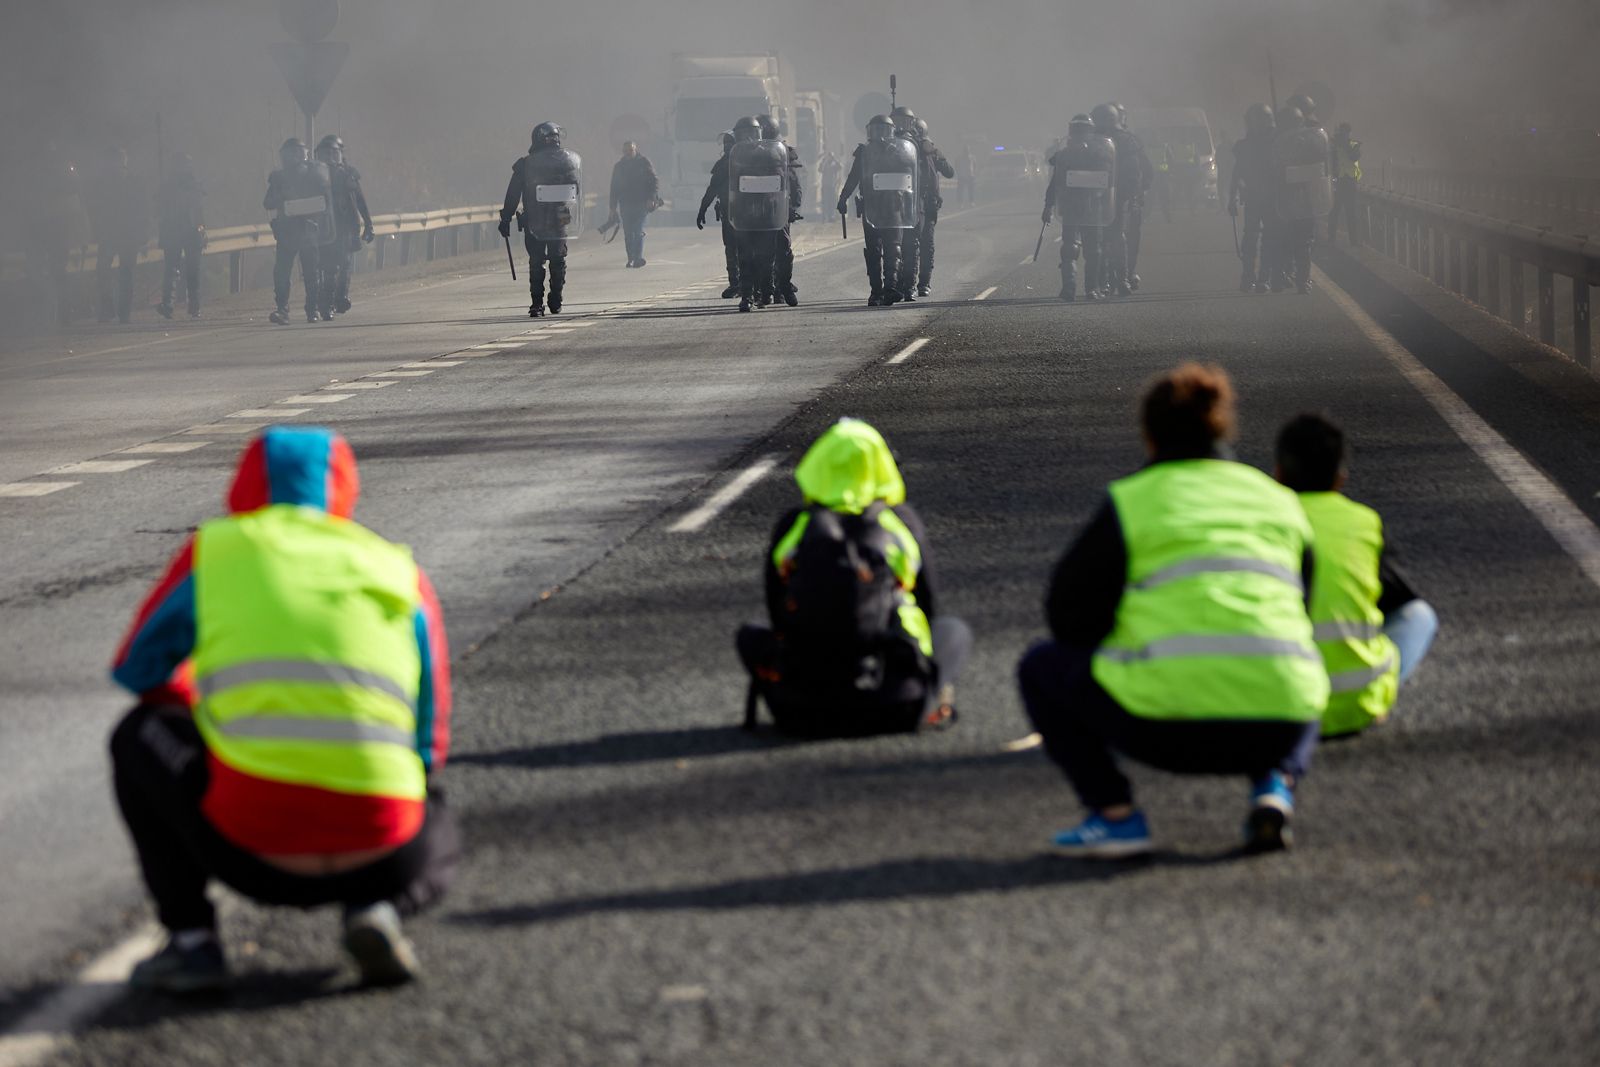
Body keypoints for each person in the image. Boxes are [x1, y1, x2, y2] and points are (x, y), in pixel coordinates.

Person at [108, 427, 459, 993]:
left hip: (249, 851)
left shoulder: (217, 550)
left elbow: (138, 672)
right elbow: (429, 740)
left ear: (243, 486)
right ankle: (378, 907)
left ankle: (191, 941)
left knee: (137, 735)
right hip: (382, 848)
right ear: (345, 491)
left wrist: (214, 710)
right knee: (430, 794)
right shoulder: (397, 568)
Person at [1017, 363, 1328, 857]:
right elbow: (1300, 608)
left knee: (1040, 666)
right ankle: (1276, 783)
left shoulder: (1132, 500)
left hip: (1163, 730)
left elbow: (1067, 614)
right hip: (1279, 723)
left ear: (1148, 436)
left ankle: (1115, 814)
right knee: (1293, 653)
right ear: (1222, 428)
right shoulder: (1280, 500)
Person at [736, 418, 972, 736]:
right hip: (896, 707)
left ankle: (788, 696)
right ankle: (928, 700)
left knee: (750, 634)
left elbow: (777, 612)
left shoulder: (796, 525)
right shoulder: (899, 522)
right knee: (953, 631)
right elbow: (928, 603)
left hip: (802, 711)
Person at [1274, 413, 1438, 738]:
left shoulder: (1261, 518)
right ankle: (1375, 695)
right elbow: (1396, 597)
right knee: (1419, 615)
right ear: (1340, 478)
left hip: (1273, 706)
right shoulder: (1364, 522)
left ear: (1277, 474)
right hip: (1353, 705)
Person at [499, 122, 581, 317]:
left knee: (536, 261)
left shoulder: (526, 164)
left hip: (534, 217)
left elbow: (513, 194)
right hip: (559, 217)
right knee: (558, 259)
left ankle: (537, 304)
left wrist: (506, 218)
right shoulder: (568, 162)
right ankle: (556, 299)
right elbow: (575, 189)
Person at [838, 114, 915, 307]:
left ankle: (890, 288)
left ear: (891, 131)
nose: (880, 135)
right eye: (876, 130)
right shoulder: (864, 153)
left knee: (893, 248)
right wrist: (843, 197)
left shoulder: (900, 151)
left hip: (894, 206)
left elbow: (911, 175)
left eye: (883, 130)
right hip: (872, 207)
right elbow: (854, 177)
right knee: (874, 250)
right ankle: (876, 291)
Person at [1042, 114, 1115, 302]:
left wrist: (1048, 207)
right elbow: (1056, 181)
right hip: (1088, 208)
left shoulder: (1073, 154)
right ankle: (1086, 289)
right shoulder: (1091, 154)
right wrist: (1048, 206)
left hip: (1081, 207)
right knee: (1086, 250)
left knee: (1075, 249)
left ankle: (1073, 288)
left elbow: (1108, 180)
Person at [263, 138, 332, 325]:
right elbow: (268, 202)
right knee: (283, 273)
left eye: (294, 152)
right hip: (287, 232)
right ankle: (283, 309)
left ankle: (312, 309)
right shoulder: (279, 178)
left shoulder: (314, 174)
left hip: (307, 230)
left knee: (310, 273)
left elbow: (324, 201)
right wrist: (280, 196)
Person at [1091, 104, 1152, 297]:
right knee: (1108, 240)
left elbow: (1137, 171)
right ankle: (1113, 279)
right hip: (1101, 197)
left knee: (1117, 238)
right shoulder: (1091, 142)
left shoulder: (1127, 142)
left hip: (1118, 197)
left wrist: (1134, 193)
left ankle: (1121, 278)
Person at [87, 146, 149, 324]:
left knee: (110, 272)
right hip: (119, 234)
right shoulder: (130, 182)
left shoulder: (106, 183)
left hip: (119, 234)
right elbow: (142, 211)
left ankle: (116, 310)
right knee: (122, 273)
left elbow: (141, 210)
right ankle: (120, 312)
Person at [316, 134, 375, 315]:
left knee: (346, 263)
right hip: (324, 227)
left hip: (347, 226)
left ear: (341, 154)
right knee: (329, 266)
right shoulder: (315, 174)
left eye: (334, 153)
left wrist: (368, 224)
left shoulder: (349, 174)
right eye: (326, 154)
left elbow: (360, 200)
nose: (330, 157)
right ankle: (327, 302)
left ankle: (341, 297)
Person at [1271, 105, 1324, 294]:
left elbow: (1321, 163)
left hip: (1302, 199)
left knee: (1301, 243)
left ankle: (1299, 279)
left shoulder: (1311, 141)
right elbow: (1275, 169)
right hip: (1288, 199)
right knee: (1290, 242)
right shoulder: (1278, 142)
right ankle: (1285, 276)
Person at [1228, 103, 1278, 293]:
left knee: (1269, 238)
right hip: (1254, 199)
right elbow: (1237, 173)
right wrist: (1231, 197)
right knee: (1250, 238)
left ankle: (1264, 277)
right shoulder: (1244, 146)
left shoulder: (1277, 144)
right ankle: (1249, 276)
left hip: (1273, 198)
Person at [757, 113, 802, 306]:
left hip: (778, 208)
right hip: (758, 209)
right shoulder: (751, 153)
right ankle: (767, 291)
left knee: (783, 250)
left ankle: (783, 287)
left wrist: (793, 204)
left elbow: (792, 179)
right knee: (762, 253)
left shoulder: (782, 151)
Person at [155, 153, 205, 320]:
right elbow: (160, 207)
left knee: (189, 270)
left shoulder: (193, 185)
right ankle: (169, 304)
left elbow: (199, 210)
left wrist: (202, 229)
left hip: (189, 231)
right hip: (174, 230)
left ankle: (192, 305)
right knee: (173, 269)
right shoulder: (169, 186)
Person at [1110, 102, 1154, 292]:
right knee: (1126, 238)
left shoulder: (1129, 141)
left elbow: (1144, 170)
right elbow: (1147, 170)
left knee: (1128, 237)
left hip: (1120, 197)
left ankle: (1125, 274)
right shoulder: (1128, 140)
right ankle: (1122, 276)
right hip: (1114, 198)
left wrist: (1139, 190)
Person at [910, 118, 955, 297]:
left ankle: (922, 284)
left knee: (925, 244)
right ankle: (910, 284)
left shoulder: (931, 153)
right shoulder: (903, 151)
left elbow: (950, 172)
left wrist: (936, 153)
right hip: (907, 204)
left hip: (927, 205)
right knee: (910, 246)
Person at [697, 131, 740, 298]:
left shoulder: (750, 162)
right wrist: (702, 209)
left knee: (748, 249)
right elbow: (713, 188)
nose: (727, 147)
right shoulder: (723, 164)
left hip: (748, 213)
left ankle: (752, 285)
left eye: (730, 144)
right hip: (729, 212)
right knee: (731, 248)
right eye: (725, 144)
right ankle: (736, 284)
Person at [607, 141, 660, 268]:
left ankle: (638, 258)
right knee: (628, 233)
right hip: (625, 204)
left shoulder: (644, 163)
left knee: (637, 230)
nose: (628, 153)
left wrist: (651, 198)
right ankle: (630, 258)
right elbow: (614, 188)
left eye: (630, 150)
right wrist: (612, 208)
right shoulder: (619, 166)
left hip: (641, 203)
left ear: (635, 149)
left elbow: (654, 181)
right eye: (626, 150)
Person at [1328, 122, 1363, 246]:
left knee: (1351, 213)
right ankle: (1331, 239)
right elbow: (1331, 162)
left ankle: (1354, 241)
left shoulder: (1354, 145)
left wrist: (1343, 144)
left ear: (1349, 133)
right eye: (1341, 132)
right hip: (1338, 183)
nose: (1342, 135)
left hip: (1350, 183)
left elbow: (1354, 157)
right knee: (1334, 212)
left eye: (1344, 132)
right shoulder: (1334, 146)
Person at [820, 150, 843, 219]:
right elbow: (820, 169)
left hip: (832, 185)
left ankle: (831, 215)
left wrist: (835, 160)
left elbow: (840, 167)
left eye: (831, 156)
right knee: (825, 201)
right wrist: (823, 162)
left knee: (832, 201)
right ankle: (825, 215)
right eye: (829, 156)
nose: (830, 157)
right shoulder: (825, 164)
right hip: (825, 185)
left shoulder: (834, 164)